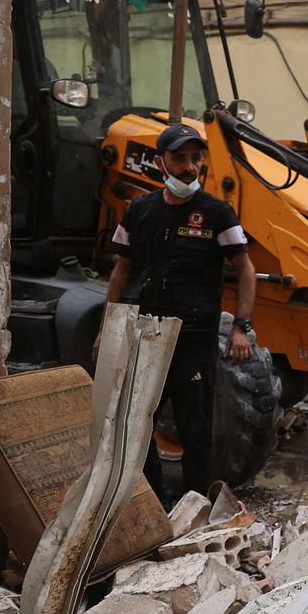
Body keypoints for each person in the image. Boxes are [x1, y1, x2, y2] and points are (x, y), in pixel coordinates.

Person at [103, 122, 257, 505]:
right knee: (137, 423)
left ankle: (193, 509)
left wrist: (241, 327)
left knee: (196, 428)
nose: (190, 167)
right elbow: (122, 270)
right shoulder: (138, 211)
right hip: (147, 333)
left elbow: (245, 268)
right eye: (179, 158)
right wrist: (108, 330)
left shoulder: (217, 213)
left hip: (195, 337)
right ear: (160, 162)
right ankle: (154, 503)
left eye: (195, 158)